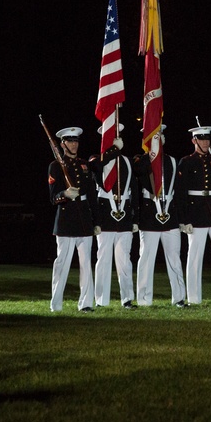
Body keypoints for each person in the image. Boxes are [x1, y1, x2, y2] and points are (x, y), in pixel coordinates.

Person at [131, 124, 186, 307]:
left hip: (169, 213)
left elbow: (178, 192)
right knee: (146, 258)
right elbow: (138, 172)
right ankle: (145, 299)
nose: (158, 138)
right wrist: (151, 152)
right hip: (149, 214)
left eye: (160, 135)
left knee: (174, 259)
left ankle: (179, 298)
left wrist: (182, 219)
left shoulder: (171, 160)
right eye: (153, 136)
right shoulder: (141, 160)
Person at [178, 122, 211, 306]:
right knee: (195, 256)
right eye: (202, 139)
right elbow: (181, 193)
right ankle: (193, 297)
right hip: (196, 213)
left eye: (208, 138)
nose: (206, 142)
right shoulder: (186, 162)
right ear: (194, 140)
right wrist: (184, 219)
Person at [48, 126, 98, 313]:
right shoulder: (55, 166)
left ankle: (86, 304)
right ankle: (56, 304)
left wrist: (97, 221)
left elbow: (92, 195)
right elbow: (53, 198)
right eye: (70, 141)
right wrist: (65, 194)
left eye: (76, 141)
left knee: (86, 265)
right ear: (62, 144)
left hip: (84, 221)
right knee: (62, 264)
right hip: (66, 222)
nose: (74, 144)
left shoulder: (84, 165)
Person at [89, 124, 135, 308]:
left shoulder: (127, 161)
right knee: (104, 259)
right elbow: (94, 165)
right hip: (105, 215)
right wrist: (113, 150)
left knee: (124, 260)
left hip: (124, 215)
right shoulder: (98, 159)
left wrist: (135, 218)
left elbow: (135, 190)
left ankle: (127, 298)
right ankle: (101, 299)